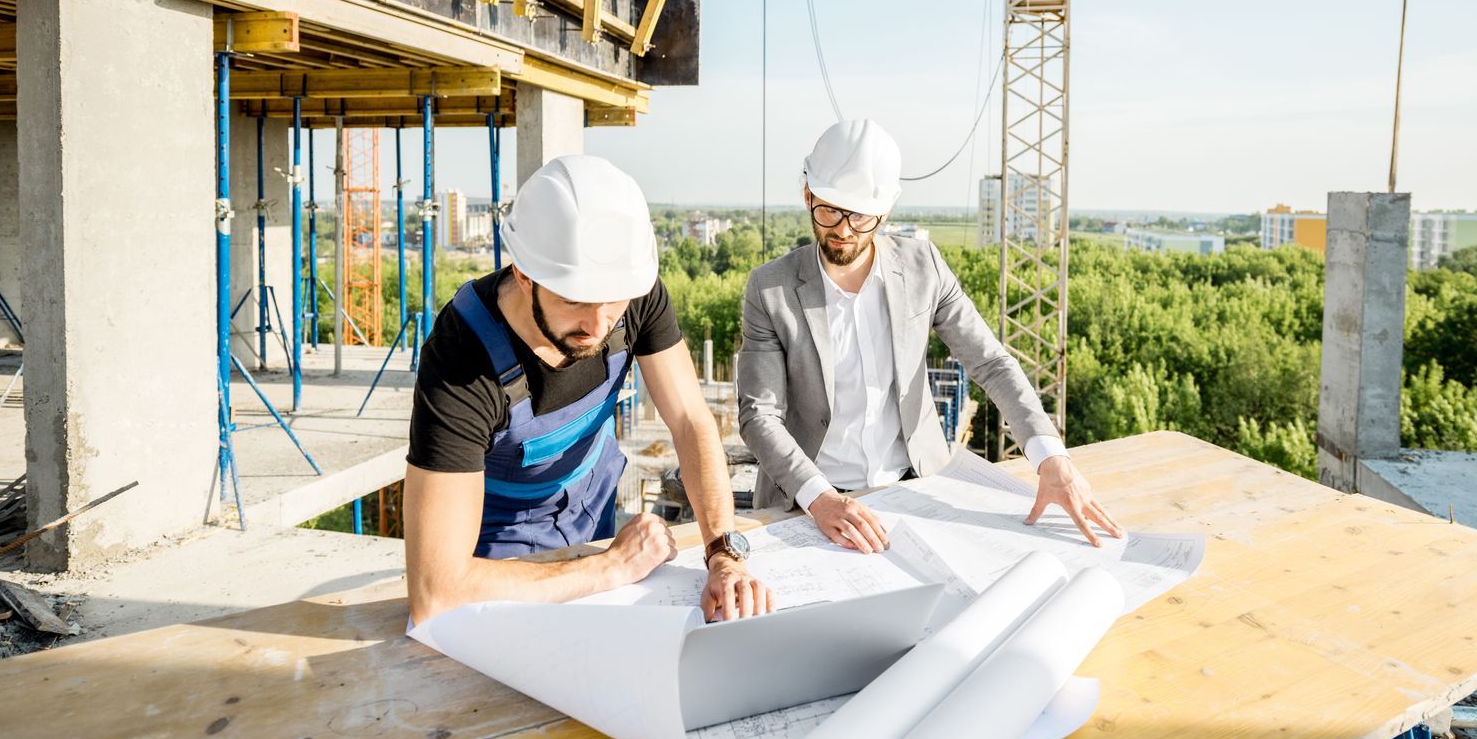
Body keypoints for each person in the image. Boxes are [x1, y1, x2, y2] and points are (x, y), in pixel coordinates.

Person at [404, 154, 772, 625]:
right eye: (574, 301)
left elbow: (690, 420)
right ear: (524, 274)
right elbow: (437, 591)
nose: (597, 326)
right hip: (496, 543)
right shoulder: (461, 360)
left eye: (612, 302)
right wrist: (611, 567)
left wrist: (723, 551)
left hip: (594, 508)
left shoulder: (634, 290)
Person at [737, 120, 1122, 553]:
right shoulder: (770, 289)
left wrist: (1051, 457)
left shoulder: (924, 267)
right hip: (808, 502)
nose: (843, 230)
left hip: (916, 486)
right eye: (829, 210)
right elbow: (759, 415)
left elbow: (991, 363)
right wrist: (820, 498)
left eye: (860, 216)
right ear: (807, 194)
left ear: (886, 211)